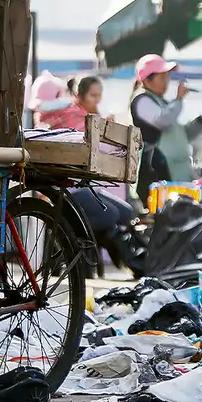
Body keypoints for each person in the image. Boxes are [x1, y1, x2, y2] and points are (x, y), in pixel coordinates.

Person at [45, 76, 137, 266]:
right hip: (69, 186)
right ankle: (66, 242)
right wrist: (103, 129)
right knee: (109, 215)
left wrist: (107, 128)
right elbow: (84, 146)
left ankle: (91, 248)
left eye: (99, 95)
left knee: (127, 213)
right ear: (79, 96)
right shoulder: (71, 115)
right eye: (93, 95)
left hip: (86, 185)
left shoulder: (94, 117)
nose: (97, 100)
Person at [130, 54, 202, 207]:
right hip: (159, 172)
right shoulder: (142, 100)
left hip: (176, 172)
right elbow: (162, 120)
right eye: (162, 77)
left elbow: (182, 135)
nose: (167, 81)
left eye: (167, 76)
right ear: (147, 79)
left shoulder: (163, 103)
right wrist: (178, 99)